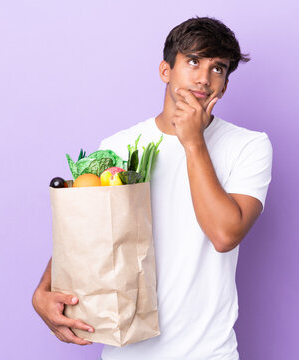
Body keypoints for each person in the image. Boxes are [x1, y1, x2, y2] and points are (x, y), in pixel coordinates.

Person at [32, 16, 273, 359]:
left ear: (225, 85)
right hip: (126, 350)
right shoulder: (119, 145)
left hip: (208, 352)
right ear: (165, 70)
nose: (204, 78)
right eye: (192, 62)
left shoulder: (249, 146)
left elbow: (224, 234)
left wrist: (193, 143)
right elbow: (91, 233)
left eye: (218, 68)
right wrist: (43, 290)